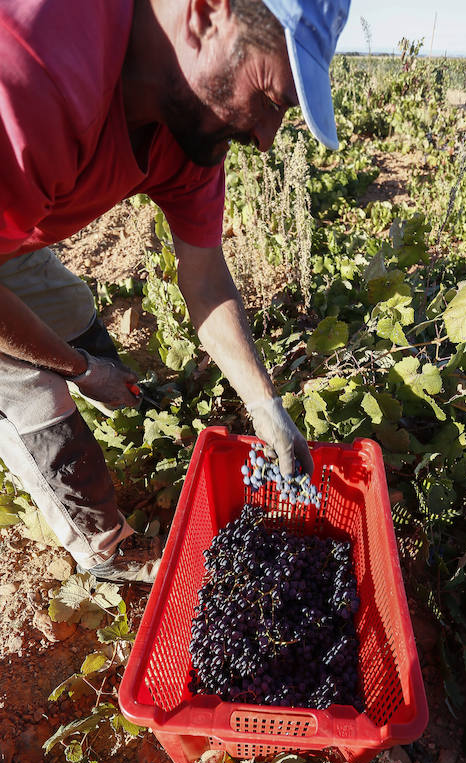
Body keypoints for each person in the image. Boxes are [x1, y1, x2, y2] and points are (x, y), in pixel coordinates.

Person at [0, 0, 350, 582]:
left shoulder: (187, 130)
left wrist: (266, 407)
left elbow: (207, 281)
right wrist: (78, 370)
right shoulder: (33, 73)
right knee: (31, 388)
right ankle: (103, 546)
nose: (266, 138)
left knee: (69, 309)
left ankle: (115, 394)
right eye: (268, 97)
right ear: (207, 12)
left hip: (14, 223)